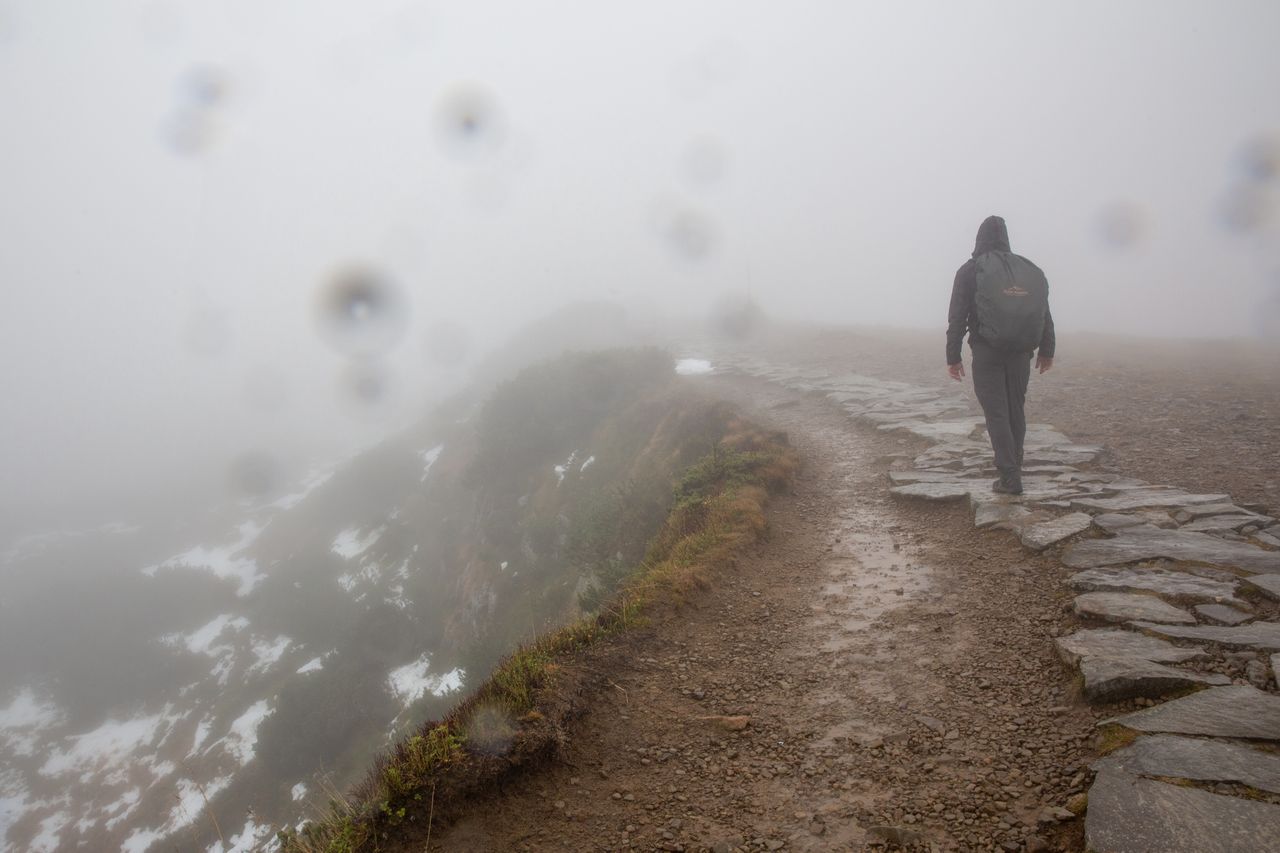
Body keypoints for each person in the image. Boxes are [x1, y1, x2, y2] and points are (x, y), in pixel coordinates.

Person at [946, 215, 1055, 495]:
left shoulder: (970, 270)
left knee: (996, 412)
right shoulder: (1024, 270)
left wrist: (953, 356)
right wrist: (1047, 350)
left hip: (987, 352)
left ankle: (1009, 476)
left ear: (978, 238)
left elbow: (957, 317)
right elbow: (1043, 312)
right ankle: (1014, 465)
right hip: (1021, 352)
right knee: (1015, 409)